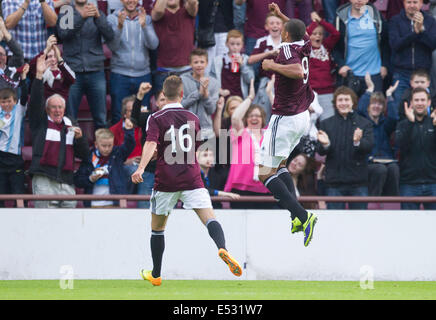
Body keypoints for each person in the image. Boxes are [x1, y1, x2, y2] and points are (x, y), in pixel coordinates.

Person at [131, 75, 242, 286]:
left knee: (157, 228)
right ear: (182, 94)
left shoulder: (155, 118)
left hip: (166, 180)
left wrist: (141, 167)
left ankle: (156, 274)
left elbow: (150, 144)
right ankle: (222, 248)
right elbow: (193, 147)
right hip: (192, 177)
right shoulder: (193, 118)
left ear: (163, 95)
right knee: (210, 218)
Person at [256, 5, 317, 247]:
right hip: (301, 116)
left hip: (285, 117)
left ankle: (303, 215)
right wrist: (282, 14)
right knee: (280, 165)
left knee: (263, 173)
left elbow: (293, 70)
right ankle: (295, 217)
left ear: (285, 34)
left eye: (282, 28)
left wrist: (272, 66)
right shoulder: (304, 44)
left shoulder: (286, 50)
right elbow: (299, 30)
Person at [28, 54, 89, 208]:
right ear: (47, 109)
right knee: (44, 224)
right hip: (44, 179)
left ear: (64, 109)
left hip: (67, 182)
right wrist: (39, 75)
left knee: (68, 226)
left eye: (60, 107)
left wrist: (81, 138)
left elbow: (84, 154)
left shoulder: (71, 124)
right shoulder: (40, 122)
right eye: (53, 107)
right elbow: (35, 101)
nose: (57, 110)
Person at [56, 0, 115, 129]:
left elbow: (110, 35)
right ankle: (71, 148)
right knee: (70, 118)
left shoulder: (97, 12)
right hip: (72, 71)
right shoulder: (66, 11)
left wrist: (98, 19)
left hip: (95, 70)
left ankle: (100, 149)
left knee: (101, 118)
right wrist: (80, 18)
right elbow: (63, 34)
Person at [317, 86, 374, 210]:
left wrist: (358, 142)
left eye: (346, 100)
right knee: (335, 224)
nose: (343, 103)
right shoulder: (326, 124)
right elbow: (320, 150)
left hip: (358, 182)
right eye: (340, 100)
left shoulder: (364, 123)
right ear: (335, 103)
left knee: (360, 223)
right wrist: (326, 144)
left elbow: (369, 146)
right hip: (334, 183)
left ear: (353, 102)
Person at [223, 81, 274, 209]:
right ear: (246, 119)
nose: (254, 118)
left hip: (265, 187)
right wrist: (250, 97)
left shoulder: (268, 134)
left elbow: (281, 117)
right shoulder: (241, 132)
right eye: (251, 116)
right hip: (241, 187)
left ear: (263, 119)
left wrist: (269, 93)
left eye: (258, 115)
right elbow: (235, 118)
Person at [107, 0, 159, 125]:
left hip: (142, 74)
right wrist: (119, 27)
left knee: (143, 116)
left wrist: (144, 26)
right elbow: (112, 46)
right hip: (120, 74)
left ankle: (141, 145)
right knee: (118, 116)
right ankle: (119, 144)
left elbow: (154, 45)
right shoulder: (112, 18)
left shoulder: (146, 18)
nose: (130, 1)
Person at [334, 0, 390, 97]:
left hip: (375, 74)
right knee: (350, 110)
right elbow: (334, 45)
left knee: (374, 111)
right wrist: (341, 64)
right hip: (349, 74)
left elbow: (386, 42)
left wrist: (384, 65)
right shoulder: (340, 19)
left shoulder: (376, 16)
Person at [74, 120, 135, 208]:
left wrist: (129, 131)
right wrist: (90, 179)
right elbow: (78, 181)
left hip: (114, 204)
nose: (107, 149)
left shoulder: (117, 154)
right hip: (93, 205)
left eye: (110, 145)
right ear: (96, 144)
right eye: (104, 146)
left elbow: (129, 145)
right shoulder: (88, 157)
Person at [357, 74, 400, 196]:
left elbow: (394, 117)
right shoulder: (363, 122)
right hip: (369, 162)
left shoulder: (384, 123)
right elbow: (359, 110)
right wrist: (369, 89)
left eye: (380, 104)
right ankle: (374, 202)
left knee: (394, 169)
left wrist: (389, 96)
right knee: (380, 170)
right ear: (368, 106)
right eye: (373, 103)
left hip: (387, 160)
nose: (376, 106)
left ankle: (393, 204)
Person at [389, 0, 436, 106]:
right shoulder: (395, 21)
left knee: (423, 108)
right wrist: (414, 33)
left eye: (415, 2)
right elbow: (395, 45)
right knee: (399, 109)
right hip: (401, 73)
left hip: (422, 74)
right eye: (408, 2)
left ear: (421, 3)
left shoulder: (430, 21)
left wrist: (422, 30)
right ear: (403, 3)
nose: (412, 5)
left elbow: (433, 44)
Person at [395, 87, 436, 210]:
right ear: (411, 103)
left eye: (422, 100)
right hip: (409, 183)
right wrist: (410, 123)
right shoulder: (403, 124)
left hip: (433, 182)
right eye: (416, 100)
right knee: (408, 227)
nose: (419, 103)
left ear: (428, 103)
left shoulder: (433, 123)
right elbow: (401, 145)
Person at [151, 0, 198, 93]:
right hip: (164, 71)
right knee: (165, 106)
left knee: (187, 105)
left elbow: (193, 3)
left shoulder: (188, 11)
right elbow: (157, 12)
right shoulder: (159, 11)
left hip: (186, 70)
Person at [0, 65, 29, 207]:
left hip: (14, 157)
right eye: (3, 102)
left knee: (19, 194)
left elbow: (24, 94)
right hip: (0, 156)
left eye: (9, 101)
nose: (6, 104)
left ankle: (21, 221)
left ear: (14, 101)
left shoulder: (19, 110)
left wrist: (23, 78)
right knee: (1, 193)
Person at [248, 12, 283, 121]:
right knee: (264, 113)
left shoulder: (287, 42)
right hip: (267, 81)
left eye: (278, 23)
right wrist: (268, 53)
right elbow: (250, 60)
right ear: (266, 26)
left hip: (283, 82)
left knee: (281, 113)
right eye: (271, 23)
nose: (275, 25)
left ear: (282, 26)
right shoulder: (262, 42)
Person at [306, 11, 340, 121]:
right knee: (309, 127)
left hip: (327, 92)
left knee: (328, 124)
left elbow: (336, 34)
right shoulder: (305, 50)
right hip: (310, 94)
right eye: (314, 34)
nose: (317, 36)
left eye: (320, 34)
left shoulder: (326, 46)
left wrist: (320, 21)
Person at [181, 48, 219, 140]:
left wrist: (205, 94)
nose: (199, 65)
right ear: (190, 64)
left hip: (206, 129)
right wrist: (198, 94)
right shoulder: (182, 80)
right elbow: (181, 105)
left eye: (202, 62)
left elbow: (211, 110)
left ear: (206, 63)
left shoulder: (214, 82)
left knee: (207, 154)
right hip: (186, 128)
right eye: (196, 62)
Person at [109, 95, 143, 194]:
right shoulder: (114, 130)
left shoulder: (145, 127)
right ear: (124, 114)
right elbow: (110, 155)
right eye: (131, 111)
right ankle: (127, 201)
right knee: (133, 170)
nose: (135, 113)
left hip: (144, 165)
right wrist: (125, 161)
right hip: (123, 165)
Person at [210, 29, 255, 100]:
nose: (235, 47)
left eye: (238, 44)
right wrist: (219, 90)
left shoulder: (246, 59)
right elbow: (211, 79)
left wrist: (242, 65)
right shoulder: (218, 60)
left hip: (240, 97)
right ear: (226, 44)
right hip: (224, 97)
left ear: (242, 45)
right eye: (232, 44)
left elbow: (250, 79)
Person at [28, 35, 76, 102]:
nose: (53, 59)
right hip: (43, 109)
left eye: (56, 56)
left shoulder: (64, 72)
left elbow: (72, 79)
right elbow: (31, 66)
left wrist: (60, 60)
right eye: (50, 56)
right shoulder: (40, 72)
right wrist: (46, 49)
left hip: (61, 110)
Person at [197, 0, 235, 75]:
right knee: (206, 67)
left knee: (224, 66)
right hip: (206, 31)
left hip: (225, 30)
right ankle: (205, 86)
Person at [0, 17, 24, 91]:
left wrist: (4, 30)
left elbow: (19, 53)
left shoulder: (12, 69)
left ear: (6, 57)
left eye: (1, 54)